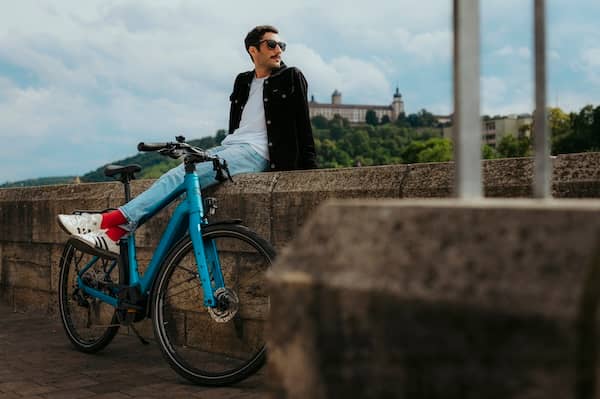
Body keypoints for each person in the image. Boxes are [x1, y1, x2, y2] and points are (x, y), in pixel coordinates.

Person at [57, 25, 317, 256]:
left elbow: (303, 127)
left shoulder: (291, 77)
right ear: (253, 50)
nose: (278, 50)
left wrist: (308, 175)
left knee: (177, 176)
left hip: (257, 153)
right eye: (271, 44)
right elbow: (235, 126)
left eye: (281, 45)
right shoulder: (243, 81)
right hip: (232, 148)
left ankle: (107, 220)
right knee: (183, 192)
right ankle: (116, 234)